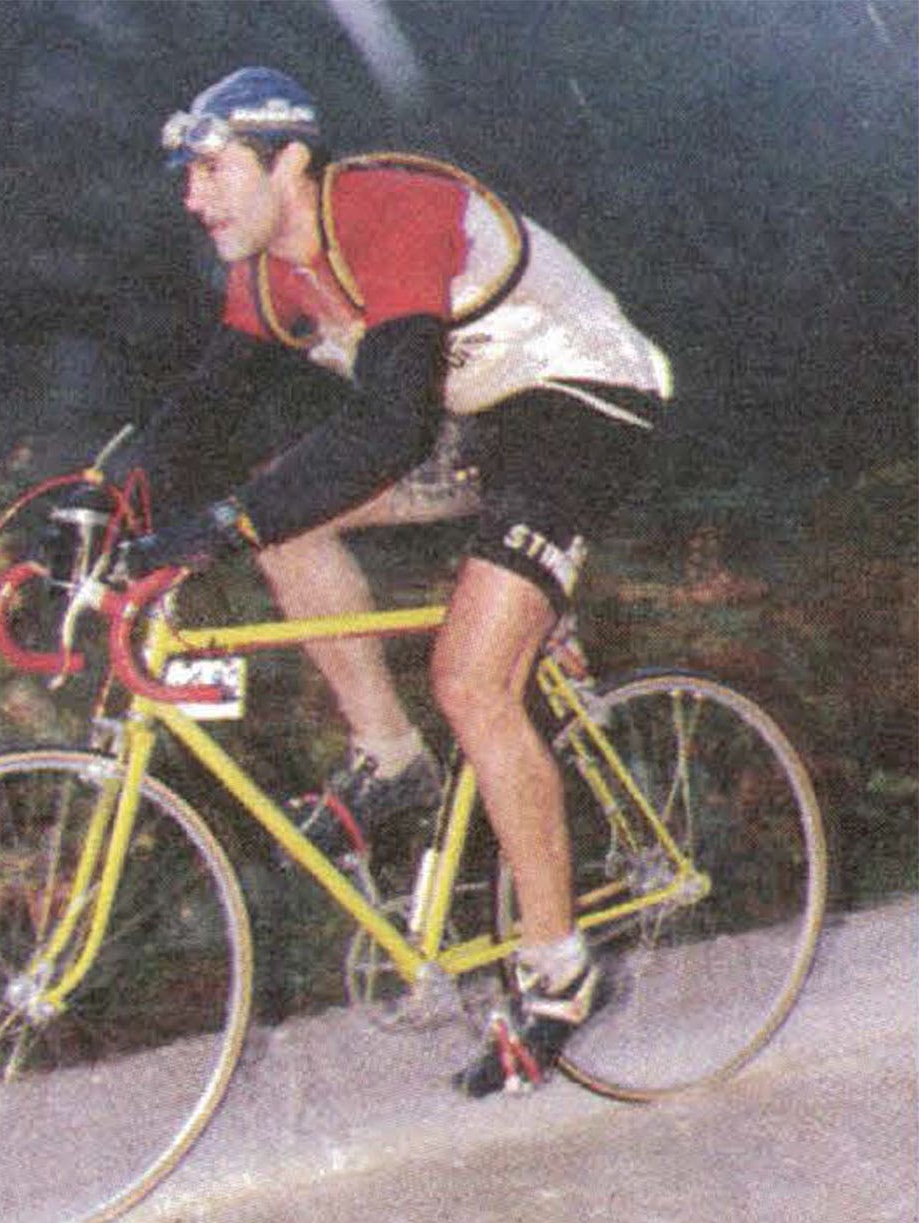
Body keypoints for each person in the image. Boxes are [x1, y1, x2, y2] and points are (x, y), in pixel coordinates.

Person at [98, 67, 672, 1096]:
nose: (192, 196)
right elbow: (200, 410)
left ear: (289, 163)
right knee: (286, 519)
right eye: (186, 175)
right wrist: (101, 505)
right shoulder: (267, 274)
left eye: (214, 169)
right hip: (477, 422)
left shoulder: (390, 210)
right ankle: (391, 756)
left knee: (471, 679)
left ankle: (558, 972)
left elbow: (394, 426)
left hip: (580, 403)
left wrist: (223, 524)